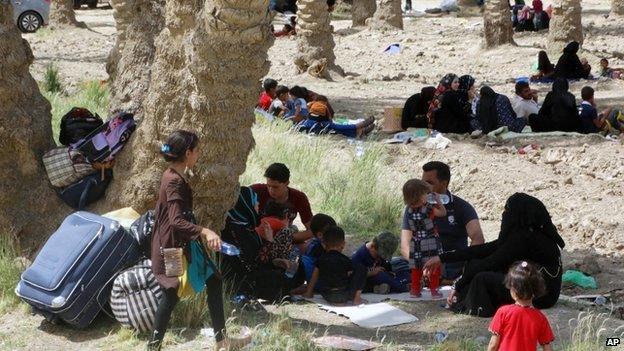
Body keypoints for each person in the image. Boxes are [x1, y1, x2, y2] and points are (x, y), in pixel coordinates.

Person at [149, 130, 248, 350]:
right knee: (172, 291)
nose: (198, 154)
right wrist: (206, 231)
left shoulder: (173, 175)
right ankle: (153, 346)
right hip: (172, 247)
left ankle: (222, 342)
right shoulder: (174, 181)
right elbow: (175, 221)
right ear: (188, 152)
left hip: (181, 243)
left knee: (214, 279)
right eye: (197, 150)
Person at [423, 193, 566, 317]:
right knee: (475, 263)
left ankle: (472, 306)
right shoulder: (525, 235)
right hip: (533, 289)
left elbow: (492, 262)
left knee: (482, 277)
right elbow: (483, 249)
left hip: (542, 296)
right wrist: (442, 258)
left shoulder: (525, 238)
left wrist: (458, 285)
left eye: (507, 210)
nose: (504, 214)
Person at [421, 161, 484, 281]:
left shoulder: (461, 207)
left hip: (453, 264)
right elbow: (406, 240)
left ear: (444, 183)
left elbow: (478, 238)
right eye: (422, 182)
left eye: (429, 183)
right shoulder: (416, 207)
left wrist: (466, 264)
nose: (424, 187)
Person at [487, 261, 555, 351]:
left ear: (514, 291)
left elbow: (493, 344)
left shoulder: (503, 312)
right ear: (535, 291)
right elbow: (547, 347)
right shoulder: (540, 318)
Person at [400, 179, 447, 297]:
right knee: (433, 266)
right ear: (421, 197)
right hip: (430, 241)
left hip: (415, 241)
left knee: (416, 267)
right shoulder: (428, 209)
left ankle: (415, 290)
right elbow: (442, 213)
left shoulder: (409, 210)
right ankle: (434, 290)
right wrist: (438, 201)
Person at [251, 163, 313, 244]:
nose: (271, 190)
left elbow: (311, 230)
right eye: (268, 186)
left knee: (303, 247)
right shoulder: (256, 191)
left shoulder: (299, 198)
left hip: (285, 235)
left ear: (287, 183)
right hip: (258, 235)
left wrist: (284, 237)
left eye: (275, 187)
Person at [303, 225, 367, 305]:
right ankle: (357, 299)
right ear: (343, 244)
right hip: (344, 296)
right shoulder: (346, 260)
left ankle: (309, 293)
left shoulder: (321, 259)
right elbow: (350, 276)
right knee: (361, 268)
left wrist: (309, 292)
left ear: (324, 244)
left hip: (327, 295)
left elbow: (314, 277)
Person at [302, 214, 336, 282]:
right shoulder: (320, 250)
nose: (335, 235)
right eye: (332, 233)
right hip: (317, 282)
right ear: (320, 235)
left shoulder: (312, 242)